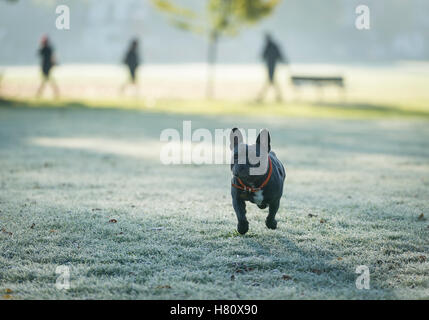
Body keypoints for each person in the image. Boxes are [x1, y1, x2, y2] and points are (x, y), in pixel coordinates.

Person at [257, 33, 287, 102]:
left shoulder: (269, 46)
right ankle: (278, 96)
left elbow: (263, 56)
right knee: (271, 80)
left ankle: (263, 96)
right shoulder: (272, 45)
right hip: (271, 65)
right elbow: (279, 55)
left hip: (271, 65)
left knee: (271, 80)